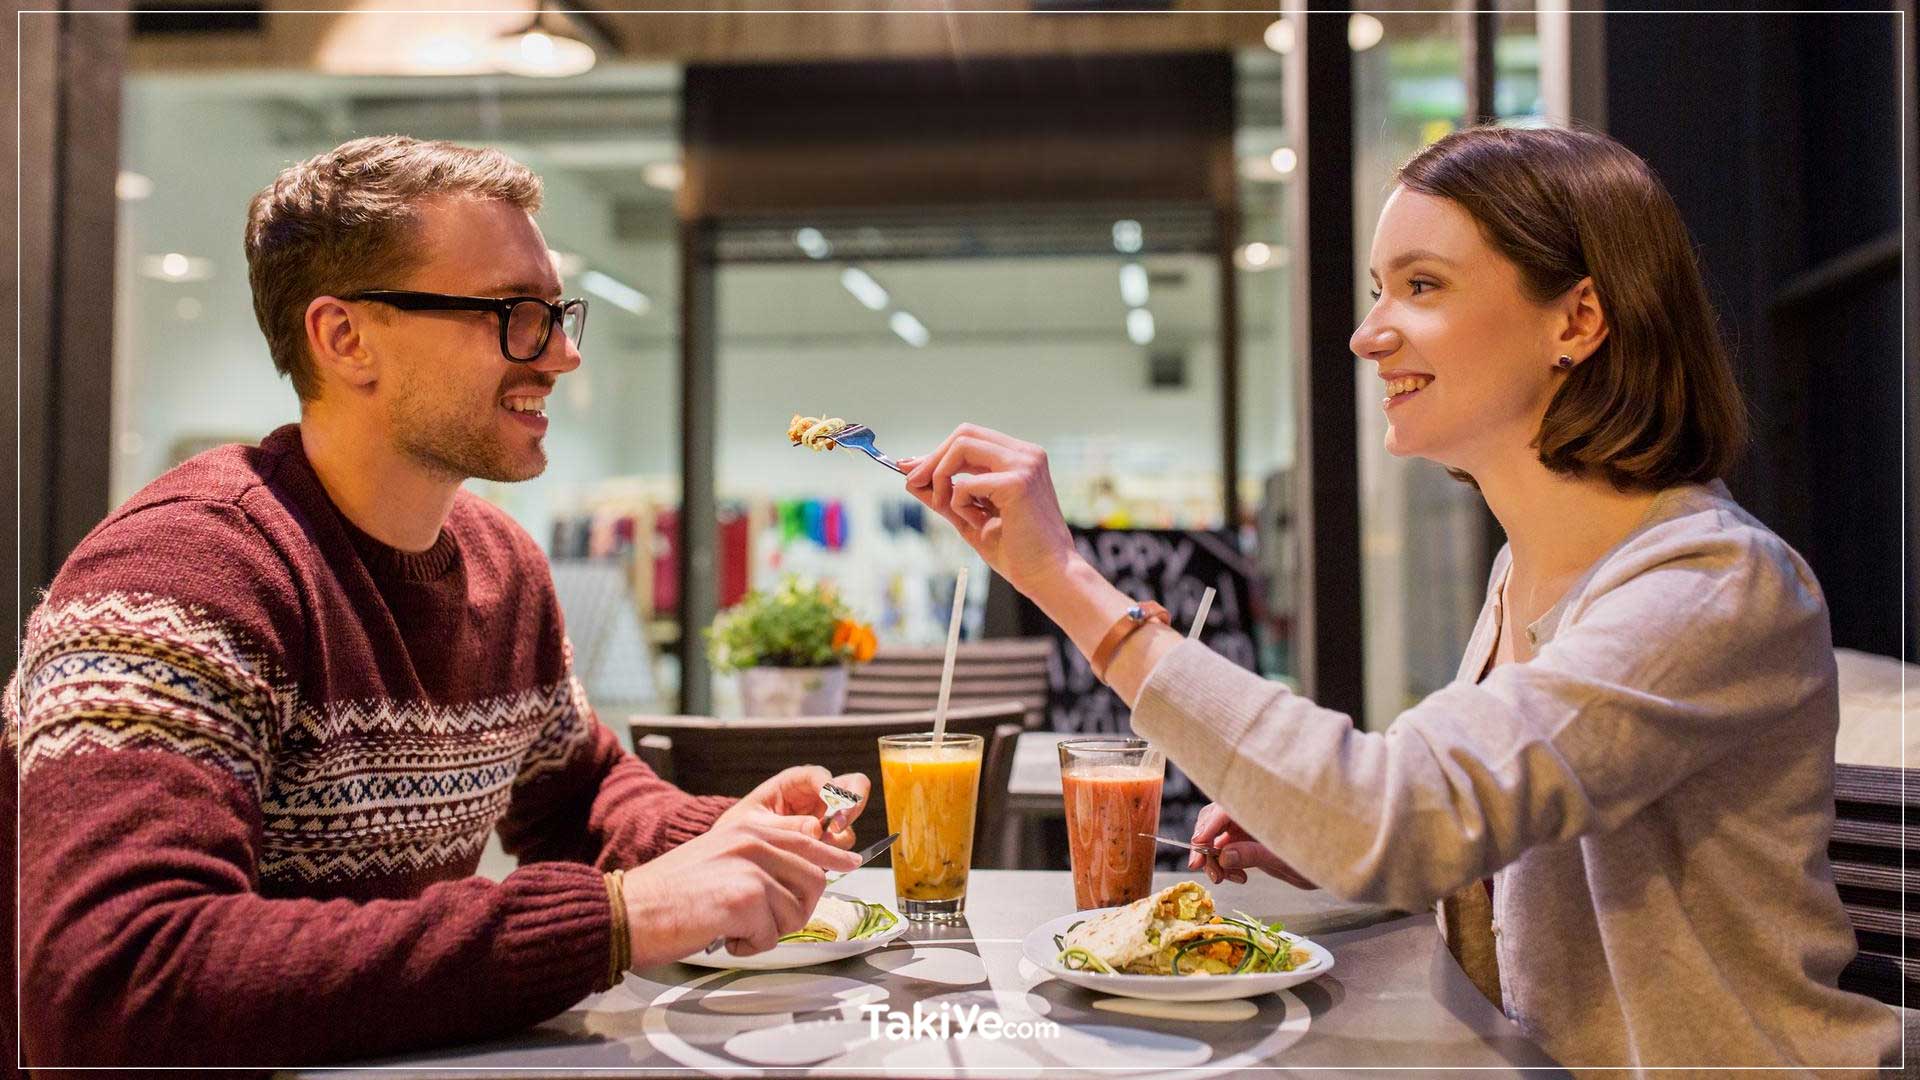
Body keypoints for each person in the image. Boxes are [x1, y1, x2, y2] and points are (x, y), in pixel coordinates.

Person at [900, 125, 1899, 1070]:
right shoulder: (1532, 568)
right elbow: (1477, 835)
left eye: (1422, 287)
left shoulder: (1712, 590)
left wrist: (1062, 582)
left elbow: (1405, 815)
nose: (1367, 336)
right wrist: (1319, 835)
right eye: (1379, 290)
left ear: (1577, 320)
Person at [6, 135, 867, 1068]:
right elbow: (111, 983)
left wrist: (725, 841)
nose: (563, 356)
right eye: (515, 314)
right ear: (345, 338)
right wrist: (618, 920)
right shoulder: (184, 572)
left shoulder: (504, 564)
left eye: (558, 314)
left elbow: (576, 791)